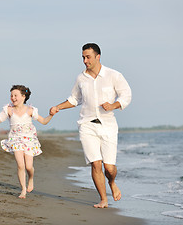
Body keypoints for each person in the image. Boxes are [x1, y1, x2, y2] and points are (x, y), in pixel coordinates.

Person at [50, 43, 132, 208]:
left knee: (109, 168)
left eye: (88, 57)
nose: (85, 61)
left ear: (97, 56)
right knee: (96, 163)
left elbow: (126, 95)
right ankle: (103, 199)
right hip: (87, 125)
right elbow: (74, 99)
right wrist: (58, 107)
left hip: (108, 125)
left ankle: (112, 182)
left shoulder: (113, 75)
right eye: (83, 57)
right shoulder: (81, 78)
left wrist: (113, 105)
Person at [0, 85, 53, 199]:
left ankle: (30, 178)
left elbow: (44, 121)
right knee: (21, 165)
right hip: (15, 140)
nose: (13, 98)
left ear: (23, 97)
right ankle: (23, 190)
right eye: (11, 95)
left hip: (29, 140)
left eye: (15, 95)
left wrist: (51, 115)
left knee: (29, 166)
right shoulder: (8, 109)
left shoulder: (31, 110)